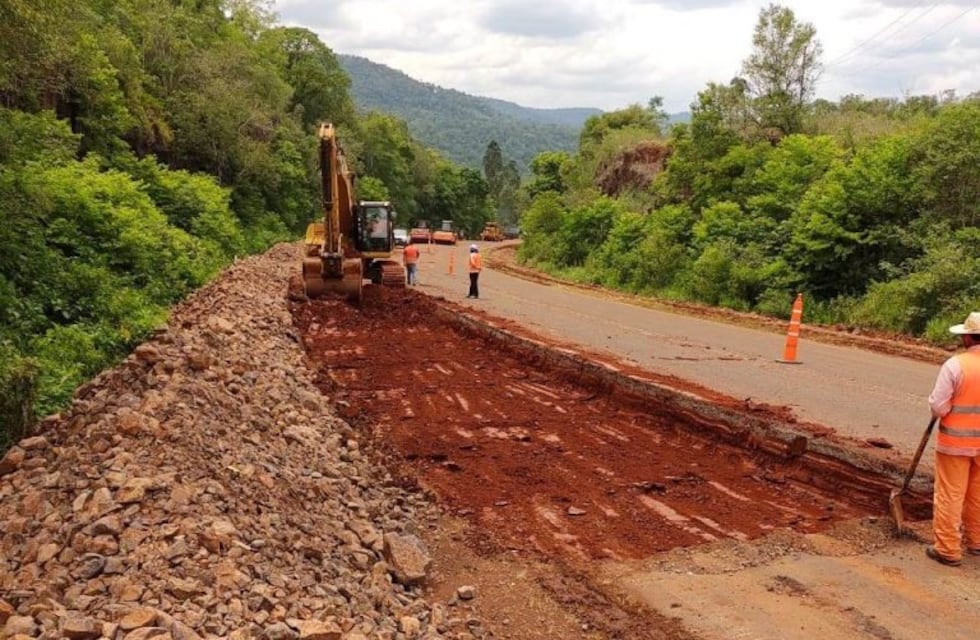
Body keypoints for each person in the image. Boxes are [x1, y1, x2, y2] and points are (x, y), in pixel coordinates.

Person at [925, 311, 980, 566]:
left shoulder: (956, 365)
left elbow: (939, 406)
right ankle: (977, 542)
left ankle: (947, 549)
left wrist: (944, 409)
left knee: (950, 494)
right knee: (977, 494)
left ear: (968, 337)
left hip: (956, 444)